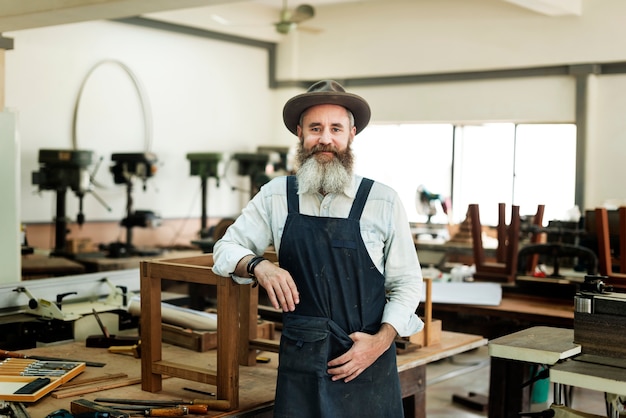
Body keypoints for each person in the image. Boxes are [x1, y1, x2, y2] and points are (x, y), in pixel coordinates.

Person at [213, 80, 423, 418]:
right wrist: (258, 266)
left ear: (351, 135)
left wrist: (380, 342)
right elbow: (225, 249)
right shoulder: (276, 195)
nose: (325, 138)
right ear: (300, 133)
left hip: (365, 360)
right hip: (302, 362)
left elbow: (407, 283)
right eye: (315, 128)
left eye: (335, 128)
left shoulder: (382, 201)